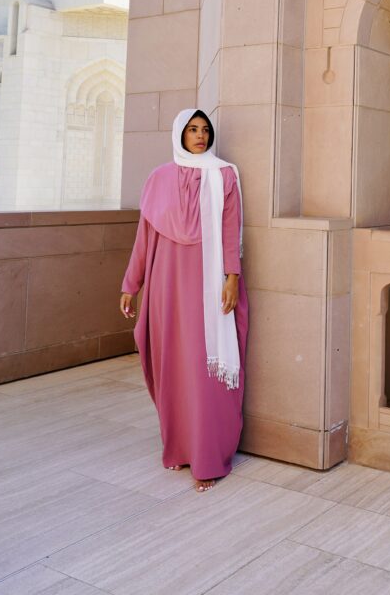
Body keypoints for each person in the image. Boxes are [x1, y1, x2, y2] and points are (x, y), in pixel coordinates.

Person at [119, 108, 248, 492]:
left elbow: (230, 230)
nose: (200, 135)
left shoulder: (223, 175)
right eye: (192, 129)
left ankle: (208, 456)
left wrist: (231, 278)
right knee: (174, 362)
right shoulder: (159, 178)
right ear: (179, 133)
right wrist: (131, 284)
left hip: (207, 285)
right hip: (166, 283)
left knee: (204, 368)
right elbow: (145, 237)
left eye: (205, 129)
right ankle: (179, 448)